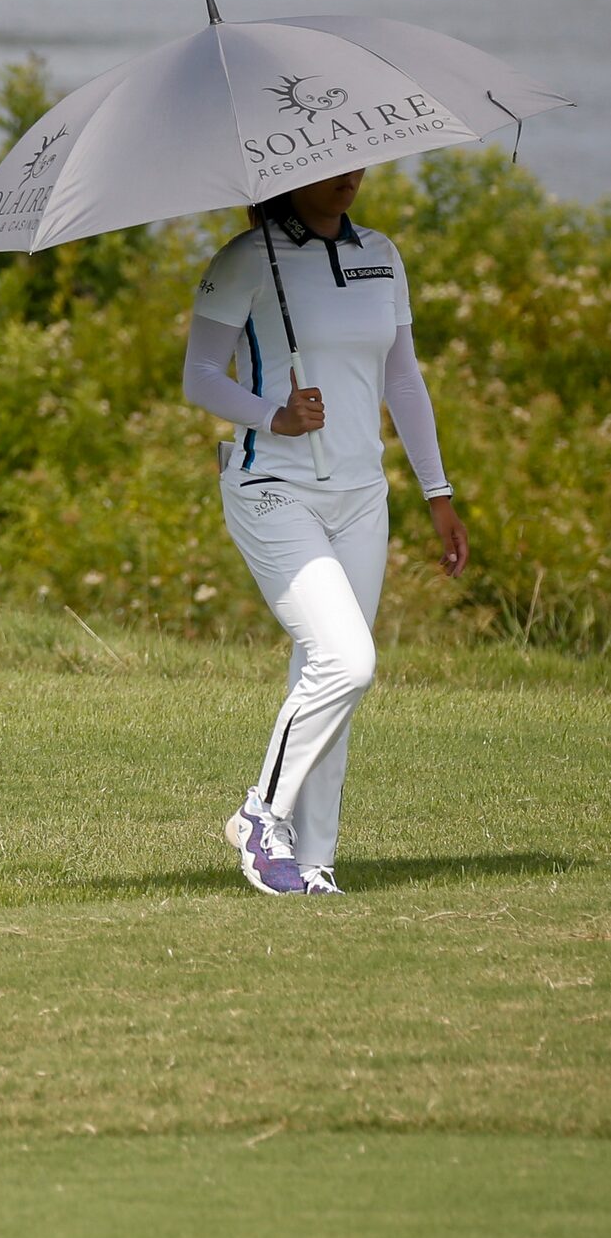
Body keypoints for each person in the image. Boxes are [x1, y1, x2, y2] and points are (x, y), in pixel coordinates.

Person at [183, 169, 469, 897]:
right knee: (346, 661)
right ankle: (257, 817)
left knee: (328, 680)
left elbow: (401, 379)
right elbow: (199, 378)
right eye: (329, 167)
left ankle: (313, 866)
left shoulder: (382, 253)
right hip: (270, 488)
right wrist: (271, 415)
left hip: (361, 496)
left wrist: (436, 492)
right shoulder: (244, 259)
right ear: (289, 174)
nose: (348, 177)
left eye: (357, 163)